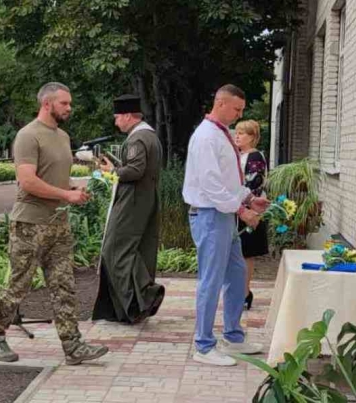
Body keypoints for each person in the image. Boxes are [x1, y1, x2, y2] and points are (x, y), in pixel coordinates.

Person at [0, 82, 109, 365]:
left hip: (58, 224)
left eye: (69, 103)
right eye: (64, 103)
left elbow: (53, 179)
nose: (69, 108)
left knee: (64, 286)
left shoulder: (63, 136)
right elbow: (27, 181)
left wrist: (75, 190)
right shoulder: (28, 136)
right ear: (47, 104)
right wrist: (66, 194)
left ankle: (73, 346)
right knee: (19, 285)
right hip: (30, 224)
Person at [182, 84, 268, 367]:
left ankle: (233, 335)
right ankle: (203, 345)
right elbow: (211, 185)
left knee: (237, 272)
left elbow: (229, 181)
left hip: (222, 216)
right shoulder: (207, 137)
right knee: (211, 279)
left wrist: (249, 198)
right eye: (237, 109)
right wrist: (241, 210)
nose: (239, 115)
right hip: (210, 215)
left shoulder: (222, 134)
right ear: (220, 103)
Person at [92, 94, 165, 323]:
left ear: (126, 115)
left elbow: (135, 170)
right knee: (135, 250)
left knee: (114, 250)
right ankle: (133, 305)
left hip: (131, 203)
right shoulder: (150, 136)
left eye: (117, 118)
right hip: (144, 200)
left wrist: (112, 171)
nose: (115, 123)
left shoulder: (137, 139)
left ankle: (143, 297)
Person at [234, 120, 268, 310]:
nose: (237, 136)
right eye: (237, 132)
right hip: (237, 210)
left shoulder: (255, 156)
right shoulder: (238, 155)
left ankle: (245, 292)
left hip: (250, 211)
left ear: (253, 137)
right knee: (238, 253)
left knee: (246, 253)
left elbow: (254, 184)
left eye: (242, 133)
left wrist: (242, 206)